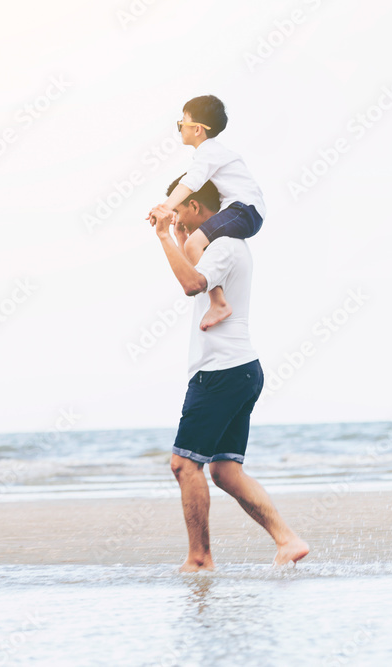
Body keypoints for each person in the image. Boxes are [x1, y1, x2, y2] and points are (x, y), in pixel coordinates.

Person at [149, 182, 309, 571]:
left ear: (195, 206)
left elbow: (191, 285)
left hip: (221, 372)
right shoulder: (219, 246)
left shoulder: (223, 246)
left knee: (184, 464)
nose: (175, 217)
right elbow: (197, 278)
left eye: (179, 210)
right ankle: (287, 540)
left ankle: (200, 558)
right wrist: (181, 238)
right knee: (224, 470)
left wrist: (164, 236)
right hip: (238, 369)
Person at [148, 95, 266, 332]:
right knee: (192, 244)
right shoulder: (213, 152)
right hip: (244, 209)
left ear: (198, 129)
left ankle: (219, 303)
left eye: (182, 123)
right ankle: (217, 301)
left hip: (244, 210)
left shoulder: (209, 151)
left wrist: (166, 206)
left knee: (194, 245)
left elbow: (190, 182)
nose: (180, 128)